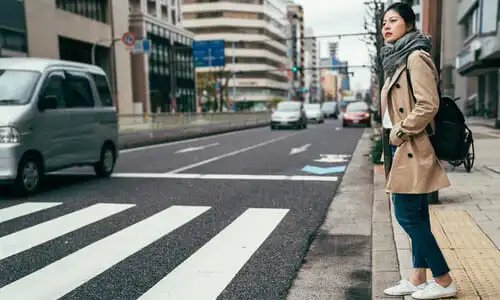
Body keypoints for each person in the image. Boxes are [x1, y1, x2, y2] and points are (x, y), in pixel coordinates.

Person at [379, 3, 457, 299]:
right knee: (418, 216)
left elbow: (428, 104)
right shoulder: (397, 58)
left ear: (409, 24)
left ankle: (445, 280)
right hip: (402, 145)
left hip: (411, 144)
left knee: (407, 216)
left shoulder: (415, 57)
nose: (386, 26)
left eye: (393, 20)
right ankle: (417, 278)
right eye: (384, 22)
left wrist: (400, 131)